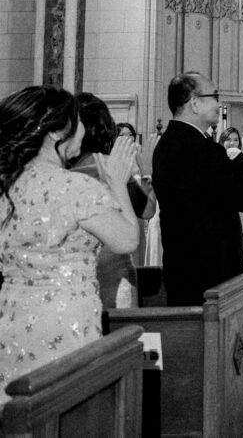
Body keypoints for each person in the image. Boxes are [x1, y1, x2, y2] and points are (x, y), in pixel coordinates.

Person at [0, 86, 139, 404]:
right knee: (65, 408)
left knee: (19, 411)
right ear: (55, 132)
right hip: (65, 322)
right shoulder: (77, 187)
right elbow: (127, 240)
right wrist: (117, 183)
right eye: (77, 121)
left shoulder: (7, 186)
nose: (83, 129)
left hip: (11, 320)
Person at [151, 72, 243, 306]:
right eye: (214, 96)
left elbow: (217, 183)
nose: (219, 104)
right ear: (194, 103)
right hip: (212, 272)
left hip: (184, 267)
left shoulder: (172, 142)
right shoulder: (202, 149)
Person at [70, 93, 157, 308]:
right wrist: (147, 172)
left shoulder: (61, 170)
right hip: (114, 269)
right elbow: (147, 210)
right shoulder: (111, 166)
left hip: (73, 273)